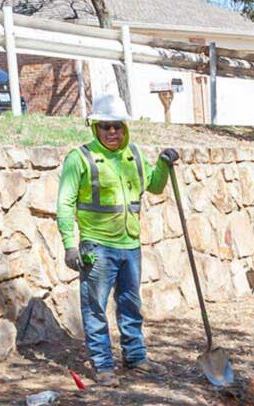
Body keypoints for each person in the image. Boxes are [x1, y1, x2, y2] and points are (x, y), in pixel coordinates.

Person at [57, 94, 179, 387]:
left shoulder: (133, 155)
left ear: (126, 128)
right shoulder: (80, 158)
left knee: (130, 303)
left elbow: (156, 186)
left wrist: (163, 164)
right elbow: (64, 204)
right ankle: (103, 365)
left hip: (130, 244)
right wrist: (69, 245)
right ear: (95, 127)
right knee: (95, 306)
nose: (112, 132)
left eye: (118, 127)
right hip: (96, 246)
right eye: (106, 127)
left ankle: (135, 358)